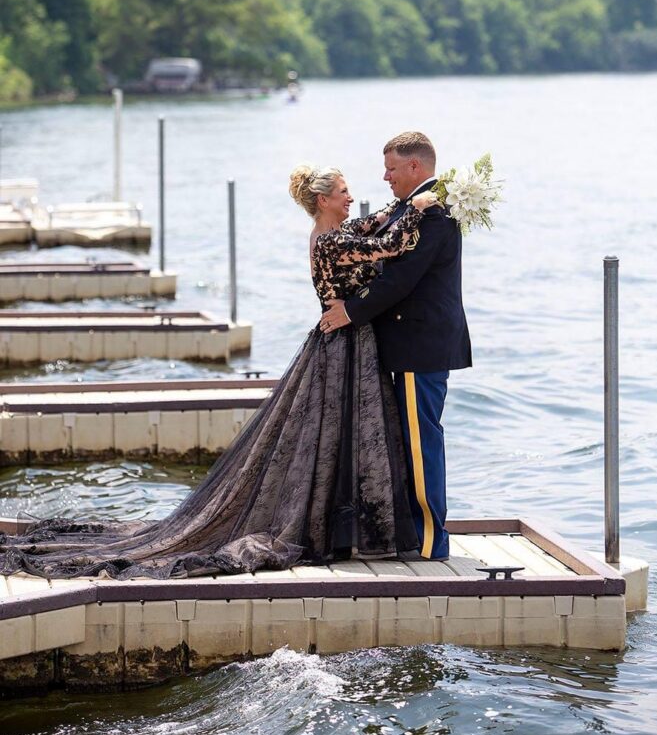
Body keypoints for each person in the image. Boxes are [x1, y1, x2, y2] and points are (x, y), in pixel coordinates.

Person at [0, 165, 438, 580]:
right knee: (330, 440)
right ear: (324, 199)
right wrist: (419, 209)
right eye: (344, 192)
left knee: (337, 440)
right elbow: (390, 244)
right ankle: (339, 528)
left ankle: (346, 528)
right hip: (341, 346)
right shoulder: (327, 240)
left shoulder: (336, 230)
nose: (352, 197)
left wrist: (407, 203)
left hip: (350, 343)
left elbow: (377, 221)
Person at [322, 132, 471, 562]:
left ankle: (429, 542)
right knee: (407, 439)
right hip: (408, 341)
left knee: (422, 441)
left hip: (418, 344)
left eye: (391, 168)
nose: (384, 177)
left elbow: (400, 279)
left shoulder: (433, 213)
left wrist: (350, 311)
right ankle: (409, 533)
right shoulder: (413, 207)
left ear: (415, 167)